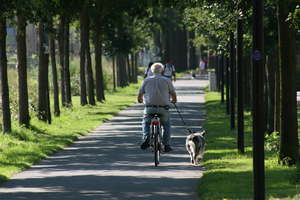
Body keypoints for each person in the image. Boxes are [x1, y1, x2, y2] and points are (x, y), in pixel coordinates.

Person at [137, 62, 177, 152]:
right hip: (163, 108)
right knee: (166, 125)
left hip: (150, 108)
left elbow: (140, 94)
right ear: (162, 71)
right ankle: (166, 145)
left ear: (151, 71)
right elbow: (173, 93)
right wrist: (174, 100)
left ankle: (147, 136)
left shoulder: (146, 80)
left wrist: (140, 100)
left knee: (146, 122)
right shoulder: (167, 80)